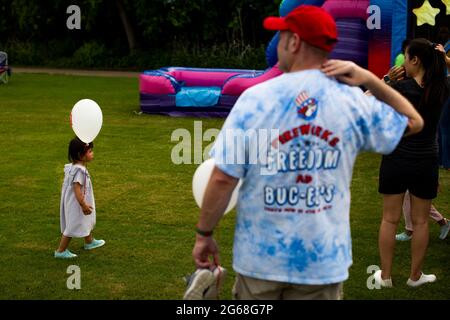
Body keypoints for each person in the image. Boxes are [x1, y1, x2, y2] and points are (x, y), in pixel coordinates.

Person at [189, 5, 423, 300]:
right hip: (322, 263)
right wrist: (369, 79)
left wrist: (204, 235)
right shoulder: (350, 101)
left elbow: (223, 178)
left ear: (294, 42)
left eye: (282, 36)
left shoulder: (256, 99)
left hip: (261, 261)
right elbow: (415, 122)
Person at [376, 39, 450, 288]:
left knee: (389, 219)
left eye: (406, 57)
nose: (404, 62)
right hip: (425, 161)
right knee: (420, 222)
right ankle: (415, 277)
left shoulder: (400, 87)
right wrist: (444, 58)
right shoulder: (442, 87)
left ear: (415, 60)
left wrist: (386, 79)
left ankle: (385, 277)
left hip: (396, 159)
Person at [55, 137, 105, 259]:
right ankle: (60, 251)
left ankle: (89, 241)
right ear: (80, 155)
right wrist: (83, 205)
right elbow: (76, 189)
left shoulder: (73, 167)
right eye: (90, 151)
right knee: (73, 224)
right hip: (76, 203)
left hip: (73, 201)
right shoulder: (80, 171)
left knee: (84, 221)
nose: (92, 153)